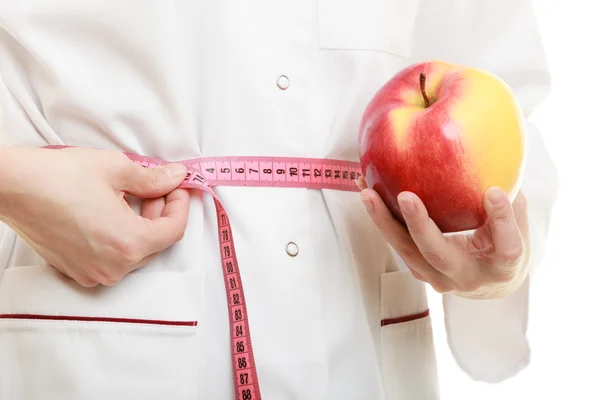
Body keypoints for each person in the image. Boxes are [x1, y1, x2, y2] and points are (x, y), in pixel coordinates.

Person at [0, 1, 559, 399]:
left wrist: (499, 260)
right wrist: (12, 182)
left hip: (362, 347)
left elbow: (498, 99)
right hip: (91, 324)